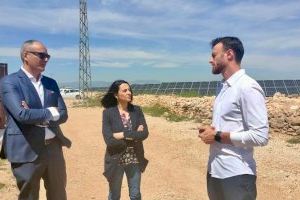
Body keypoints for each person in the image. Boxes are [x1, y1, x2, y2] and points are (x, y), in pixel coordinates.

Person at [198, 36, 269, 200]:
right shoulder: (223, 87)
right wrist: (211, 130)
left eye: (214, 55)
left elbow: (260, 136)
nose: (210, 60)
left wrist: (217, 135)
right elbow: (229, 125)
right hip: (215, 171)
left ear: (229, 54)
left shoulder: (247, 87)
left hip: (237, 175)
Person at [0, 40, 71, 200]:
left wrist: (36, 114)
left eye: (48, 56)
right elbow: (22, 115)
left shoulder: (50, 83)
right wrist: (51, 112)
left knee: (59, 195)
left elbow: (64, 114)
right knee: (29, 196)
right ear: (26, 55)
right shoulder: (10, 82)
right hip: (26, 149)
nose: (46, 59)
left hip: (53, 149)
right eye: (41, 55)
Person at [101, 80, 149, 200]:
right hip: (116, 158)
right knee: (114, 195)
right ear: (116, 95)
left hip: (135, 158)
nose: (129, 93)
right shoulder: (108, 113)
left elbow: (144, 134)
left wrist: (122, 134)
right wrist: (134, 134)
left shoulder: (137, 110)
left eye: (129, 90)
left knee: (135, 195)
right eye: (125, 90)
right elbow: (110, 141)